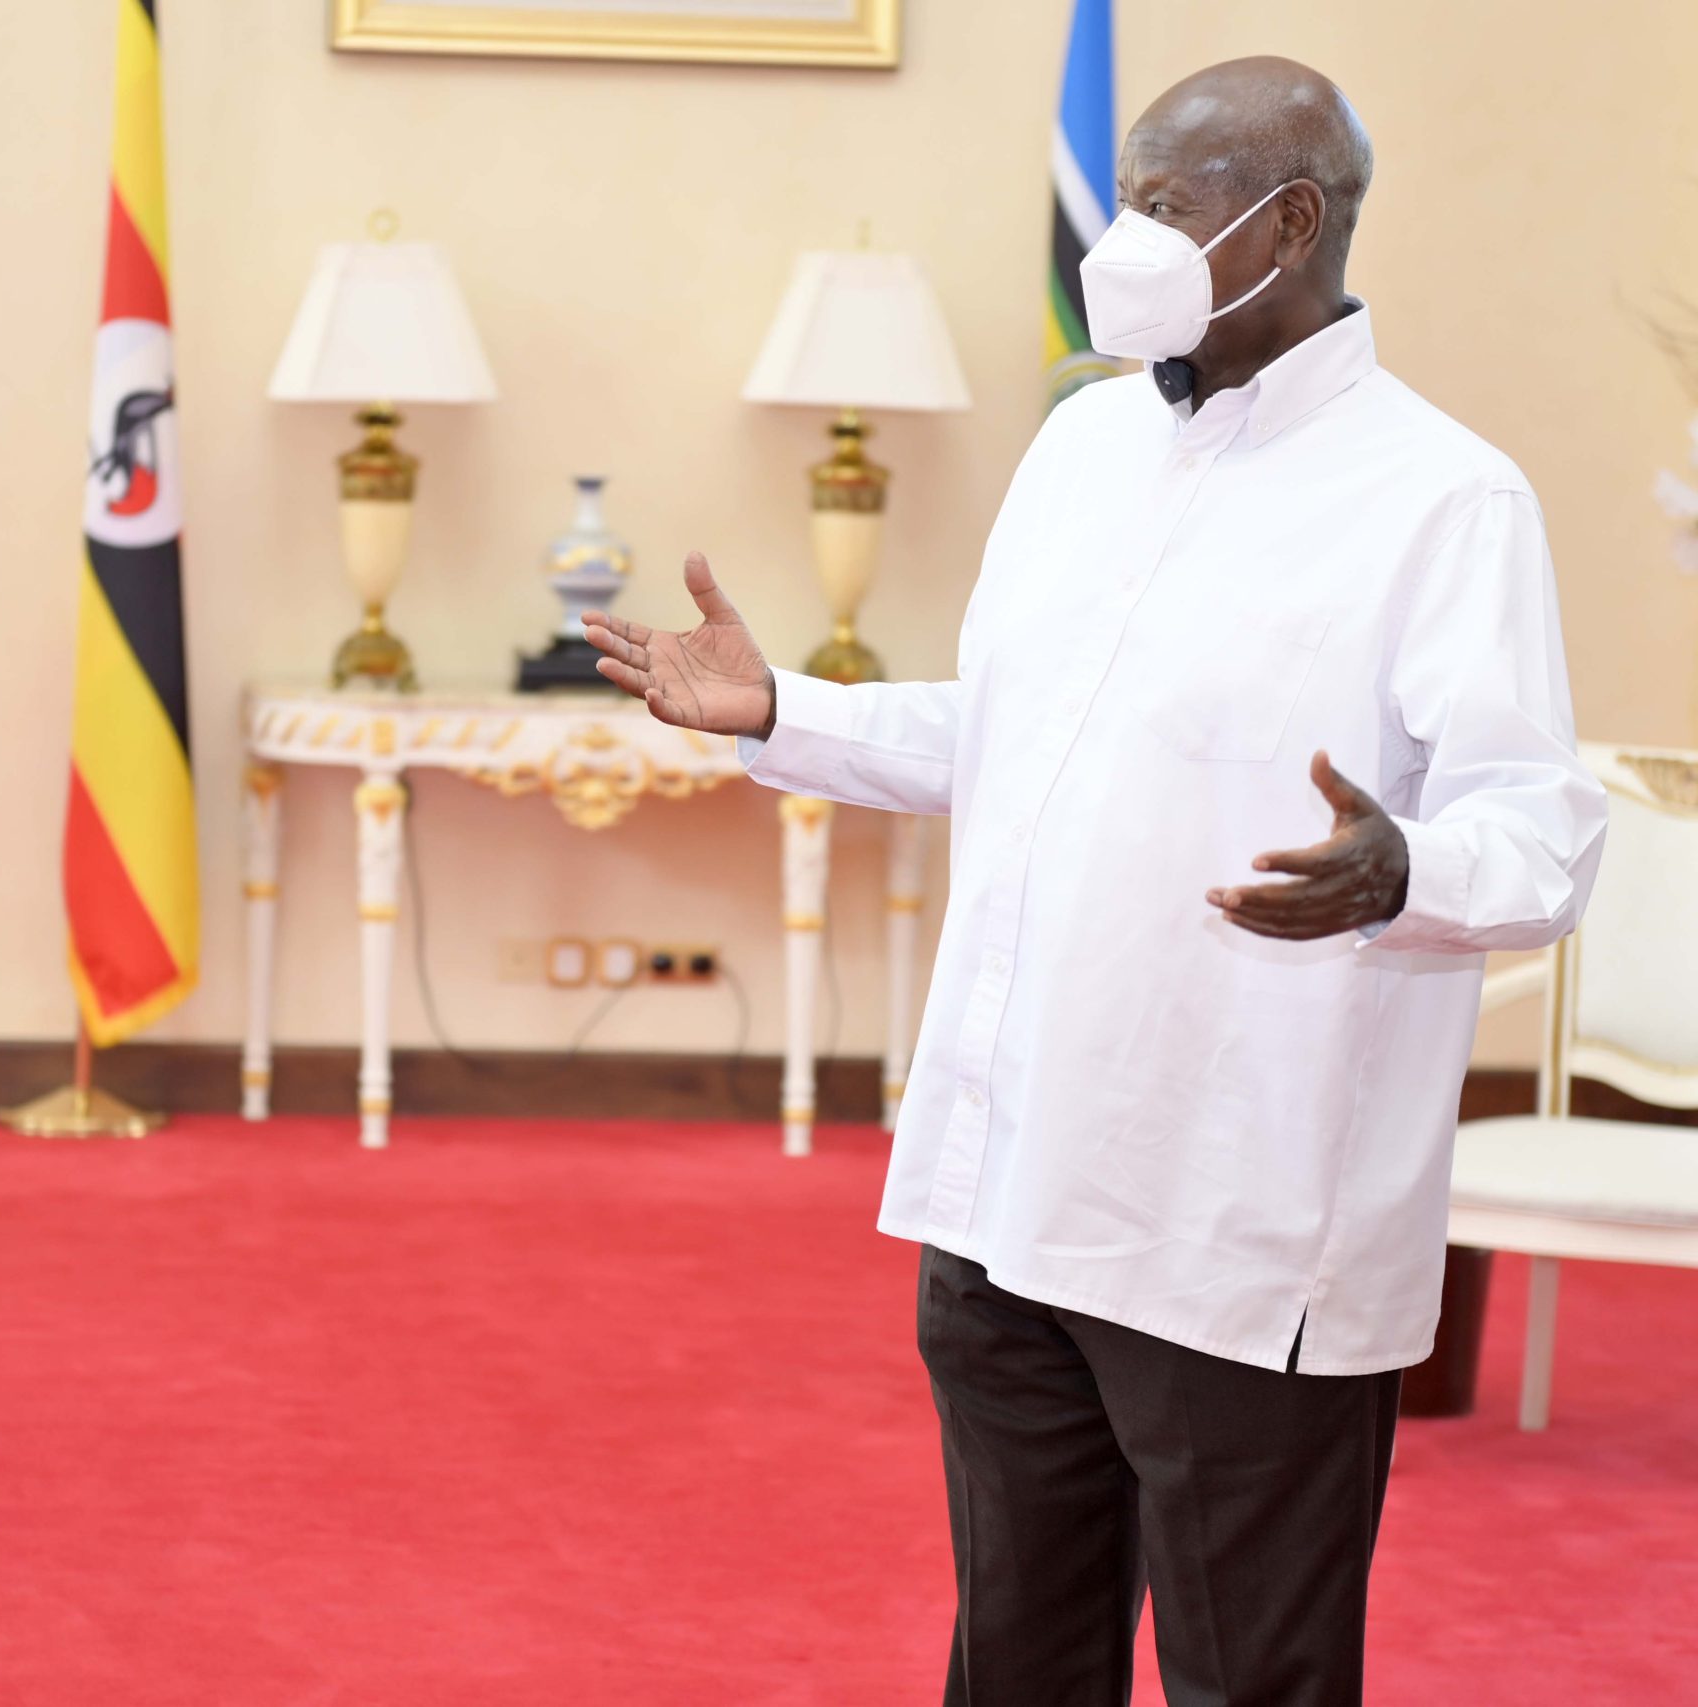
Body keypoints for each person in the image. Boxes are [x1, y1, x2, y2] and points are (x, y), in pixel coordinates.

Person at [585, 56, 1604, 1707]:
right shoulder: (1080, 452)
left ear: (1289, 223)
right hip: (1005, 1193)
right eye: (1124, 197)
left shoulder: (1446, 500)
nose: (1125, 237)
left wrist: (1402, 866)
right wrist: (785, 712)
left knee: (1245, 1682)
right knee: (1016, 1668)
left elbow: (1540, 830)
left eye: (1168, 204)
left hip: (1233, 1216)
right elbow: (1015, 742)